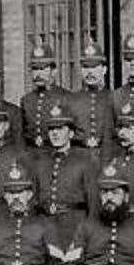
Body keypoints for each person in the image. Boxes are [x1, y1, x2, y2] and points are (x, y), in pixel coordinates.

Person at [33, 101, 98, 251]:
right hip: (45, 228)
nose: (54, 133)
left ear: (71, 133)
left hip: (74, 227)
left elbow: (94, 205)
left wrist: (89, 236)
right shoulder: (40, 162)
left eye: (60, 128)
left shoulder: (85, 162)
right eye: (51, 129)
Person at [65, 40, 115, 160]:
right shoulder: (71, 99)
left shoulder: (114, 98)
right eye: (86, 67)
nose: (89, 72)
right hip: (78, 158)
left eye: (94, 67)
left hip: (107, 158)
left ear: (104, 69)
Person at [20, 43, 69, 149]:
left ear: (54, 71)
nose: (38, 74)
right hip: (32, 155)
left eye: (42, 69)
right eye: (35, 69)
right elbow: (22, 134)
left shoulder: (65, 97)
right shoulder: (27, 100)